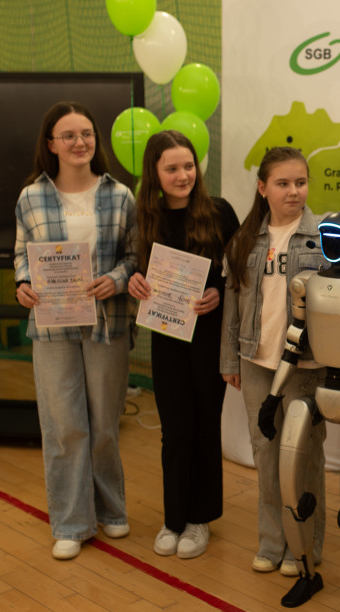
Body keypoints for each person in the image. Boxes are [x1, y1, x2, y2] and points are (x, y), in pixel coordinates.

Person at [13, 101, 137, 560]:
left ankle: (111, 510)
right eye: (69, 135)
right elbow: (22, 253)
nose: (80, 142)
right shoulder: (31, 197)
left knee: (104, 423)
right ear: (52, 144)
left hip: (108, 323)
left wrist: (117, 280)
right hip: (52, 326)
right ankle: (71, 522)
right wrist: (23, 282)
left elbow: (134, 256)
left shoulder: (120, 195)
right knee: (64, 425)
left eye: (86, 133)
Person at [127, 130, 239, 559]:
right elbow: (136, 270)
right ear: (155, 172)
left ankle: (199, 520)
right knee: (175, 430)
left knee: (204, 426)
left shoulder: (220, 212)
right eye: (171, 168)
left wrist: (220, 293)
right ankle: (173, 519)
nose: (182, 175)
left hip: (208, 338)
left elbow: (240, 273)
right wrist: (135, 281)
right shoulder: (147, 217)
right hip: (167, 336)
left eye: (188, 166)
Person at [220, 146, 328, 577]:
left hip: (307, 365)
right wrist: (230, 358)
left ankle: (306, 543)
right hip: (256, 360)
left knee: (304, 456)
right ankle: (272, 541)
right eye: (282, 183)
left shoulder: (323, 237)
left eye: (300, 182)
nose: (293, 191)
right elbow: (233, 304)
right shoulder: (246, 239)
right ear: (263, 188)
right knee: (266, 453)